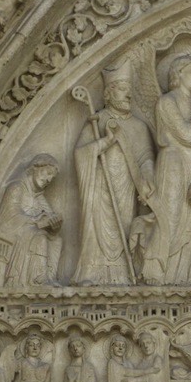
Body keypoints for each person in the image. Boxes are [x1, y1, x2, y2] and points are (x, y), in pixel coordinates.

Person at [139, 56, 191, 284]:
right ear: (178, 73)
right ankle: (158, 274)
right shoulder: (167, 102)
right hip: (174, 166)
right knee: (170, 219)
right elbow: (190, 135)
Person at [74, 65, 154, 284]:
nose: (127, 94)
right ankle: (92, 273)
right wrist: (106, 141)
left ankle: (120, 276)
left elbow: (146, 158)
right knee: (95, 227)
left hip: (126, 188)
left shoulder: (139, 127)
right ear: (107, 94)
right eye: (121, 88)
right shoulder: (97, 121)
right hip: (99, 186)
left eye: (129, 89)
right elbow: (81, 154)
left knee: (124, 229)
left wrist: (148, 178)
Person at [0, 154, 63, 286]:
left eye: (51, 178)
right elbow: (8, 218)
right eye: (48, 173)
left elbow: (49, 216)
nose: (49, 179)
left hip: (29, 233)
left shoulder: (39, 197)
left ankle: (49, 278)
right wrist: (35, 220)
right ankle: (37, 279)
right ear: (35, 167)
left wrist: (54, 226)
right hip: (12, 235)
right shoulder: (17, 187)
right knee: (39, 235)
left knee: (57, 240)